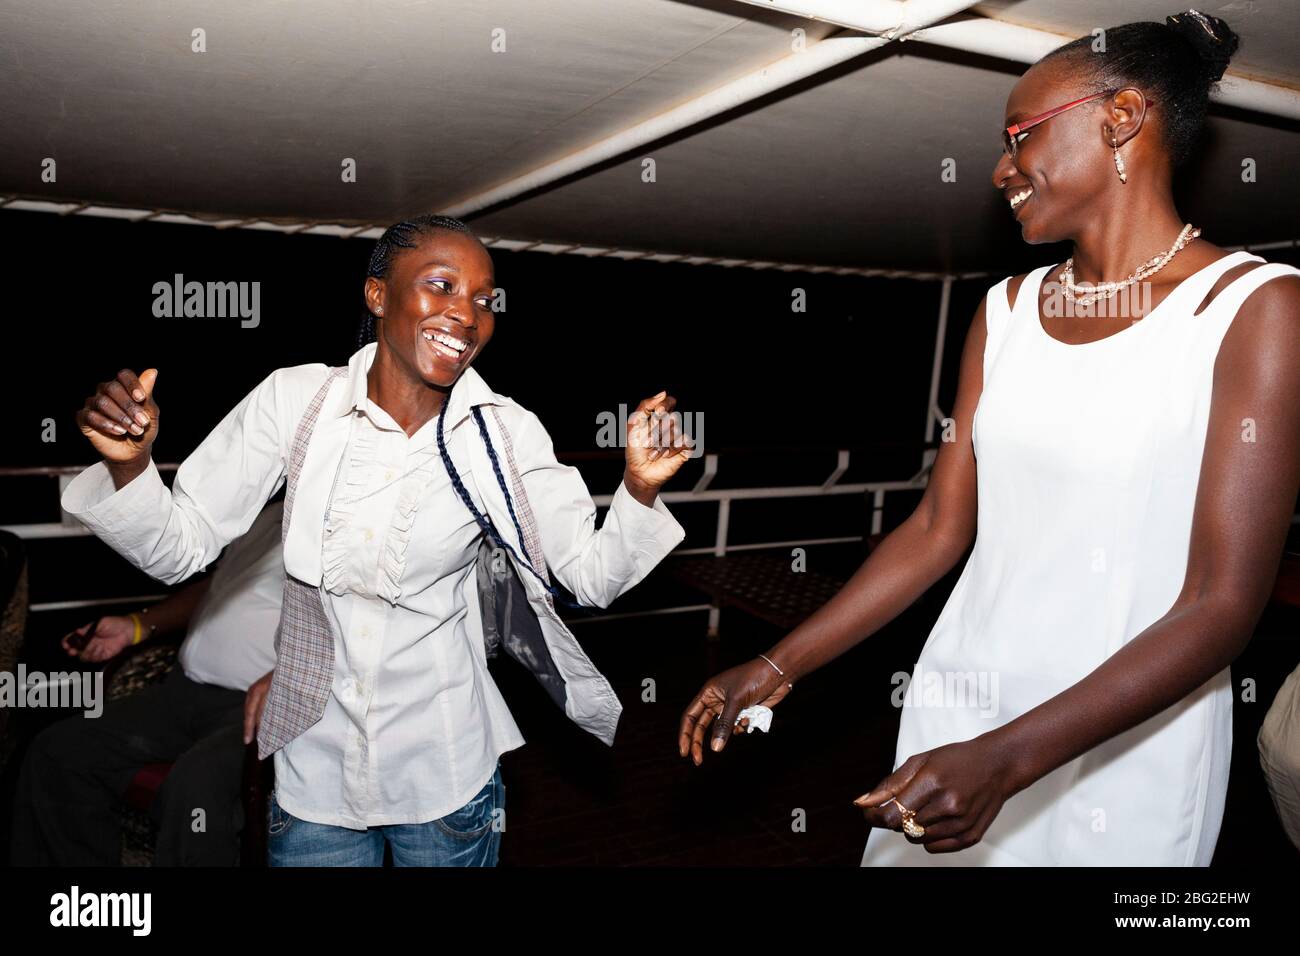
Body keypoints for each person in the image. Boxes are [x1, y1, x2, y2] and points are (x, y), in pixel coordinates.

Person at [679, 10, 1300, 866]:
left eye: (1020, 136)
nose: (1002, 169)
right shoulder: (1005, 313)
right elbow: (939, 529)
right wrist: (779, 665)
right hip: (962, 707)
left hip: (1126, 737)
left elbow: (1223, 605)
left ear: (1119, 118)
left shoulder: (1253, 308)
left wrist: (1009, 758)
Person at [62, 214, 692, 866]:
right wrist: (131, 467)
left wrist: (639, 488)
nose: (466, 314)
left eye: (483, 299)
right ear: (377, 294)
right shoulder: (296, 402)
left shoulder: (503, 432)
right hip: (314, 775)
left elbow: (589, 577)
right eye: (441, 285)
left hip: (445, 776)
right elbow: (181, 549)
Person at [11, 499, 283, 866]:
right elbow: (217, 588)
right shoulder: (268, 512)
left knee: (197, 788)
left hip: (255, 711)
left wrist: (289, 676)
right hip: (182, 692)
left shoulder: (337, 528)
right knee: (58, 751)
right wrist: (137, 626)